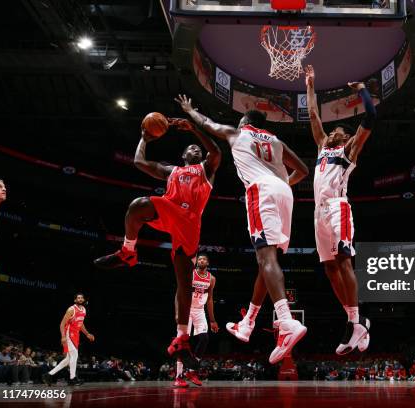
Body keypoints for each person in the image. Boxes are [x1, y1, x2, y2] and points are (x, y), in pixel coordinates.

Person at [174, 94, 309, 364]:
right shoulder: (276, 141)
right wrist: (281, 185)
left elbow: (208, 124)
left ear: (245, 122)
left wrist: (190, 110)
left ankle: (287, 321)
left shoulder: (238, 133)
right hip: (285, 194)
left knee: (266, 259)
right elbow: (304, 170)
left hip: (261, 190)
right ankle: (248, 322)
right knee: (267, 263)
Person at [94, 117, 221, 367]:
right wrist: (144, 138)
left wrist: (194, 128)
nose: (195, 149)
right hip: (169, 209)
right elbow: (140, 162)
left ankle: (183, 338)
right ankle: (127, 252)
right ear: (183, 154)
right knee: (138, 206)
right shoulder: (171, 170)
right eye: (191, 148)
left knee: (184, 284)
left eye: (197, 148)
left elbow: (215, 150)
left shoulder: (206, 169)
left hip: (190, 223)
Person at [304, 65, 375, 354]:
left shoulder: (349, 150)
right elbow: (312, 114)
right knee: (329, 268)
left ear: (345, 139)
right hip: (318, 212)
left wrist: (361, 91)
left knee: (344, 261)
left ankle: (355, 322)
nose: (335, 131)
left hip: (338, 207)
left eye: (341, 131)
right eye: (334, 130)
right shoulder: (322, 146)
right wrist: (310, 85)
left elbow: (371, 118)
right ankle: (354, 321)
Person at [174, 254, 219, 387]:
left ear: (208, 263)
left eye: (204, 259)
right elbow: (179, 292)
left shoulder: (212, 278)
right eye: (199, 259)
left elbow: (210, 299)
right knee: (182, 342)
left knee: (204, 338)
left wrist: (212, 320)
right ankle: (178, 376)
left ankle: (191, 371)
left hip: (199, 310)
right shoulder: (190, 274)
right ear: (196, 262)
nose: (201, 260)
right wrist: (178, 312)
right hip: (186, 309)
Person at [43, 293, 95, 385]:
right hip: (68, 333)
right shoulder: (71, 309)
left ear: (83, 300)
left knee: (68, 359)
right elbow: (62, 324)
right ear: (75, 300)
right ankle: (72, 378)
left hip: (76, 334)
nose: (80, 299)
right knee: (74, 355)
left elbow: (81, 323)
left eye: (81, 298)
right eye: (78, 298)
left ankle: (48, 375)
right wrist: (63, 336)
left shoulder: (84, 310)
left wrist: (87, 334)